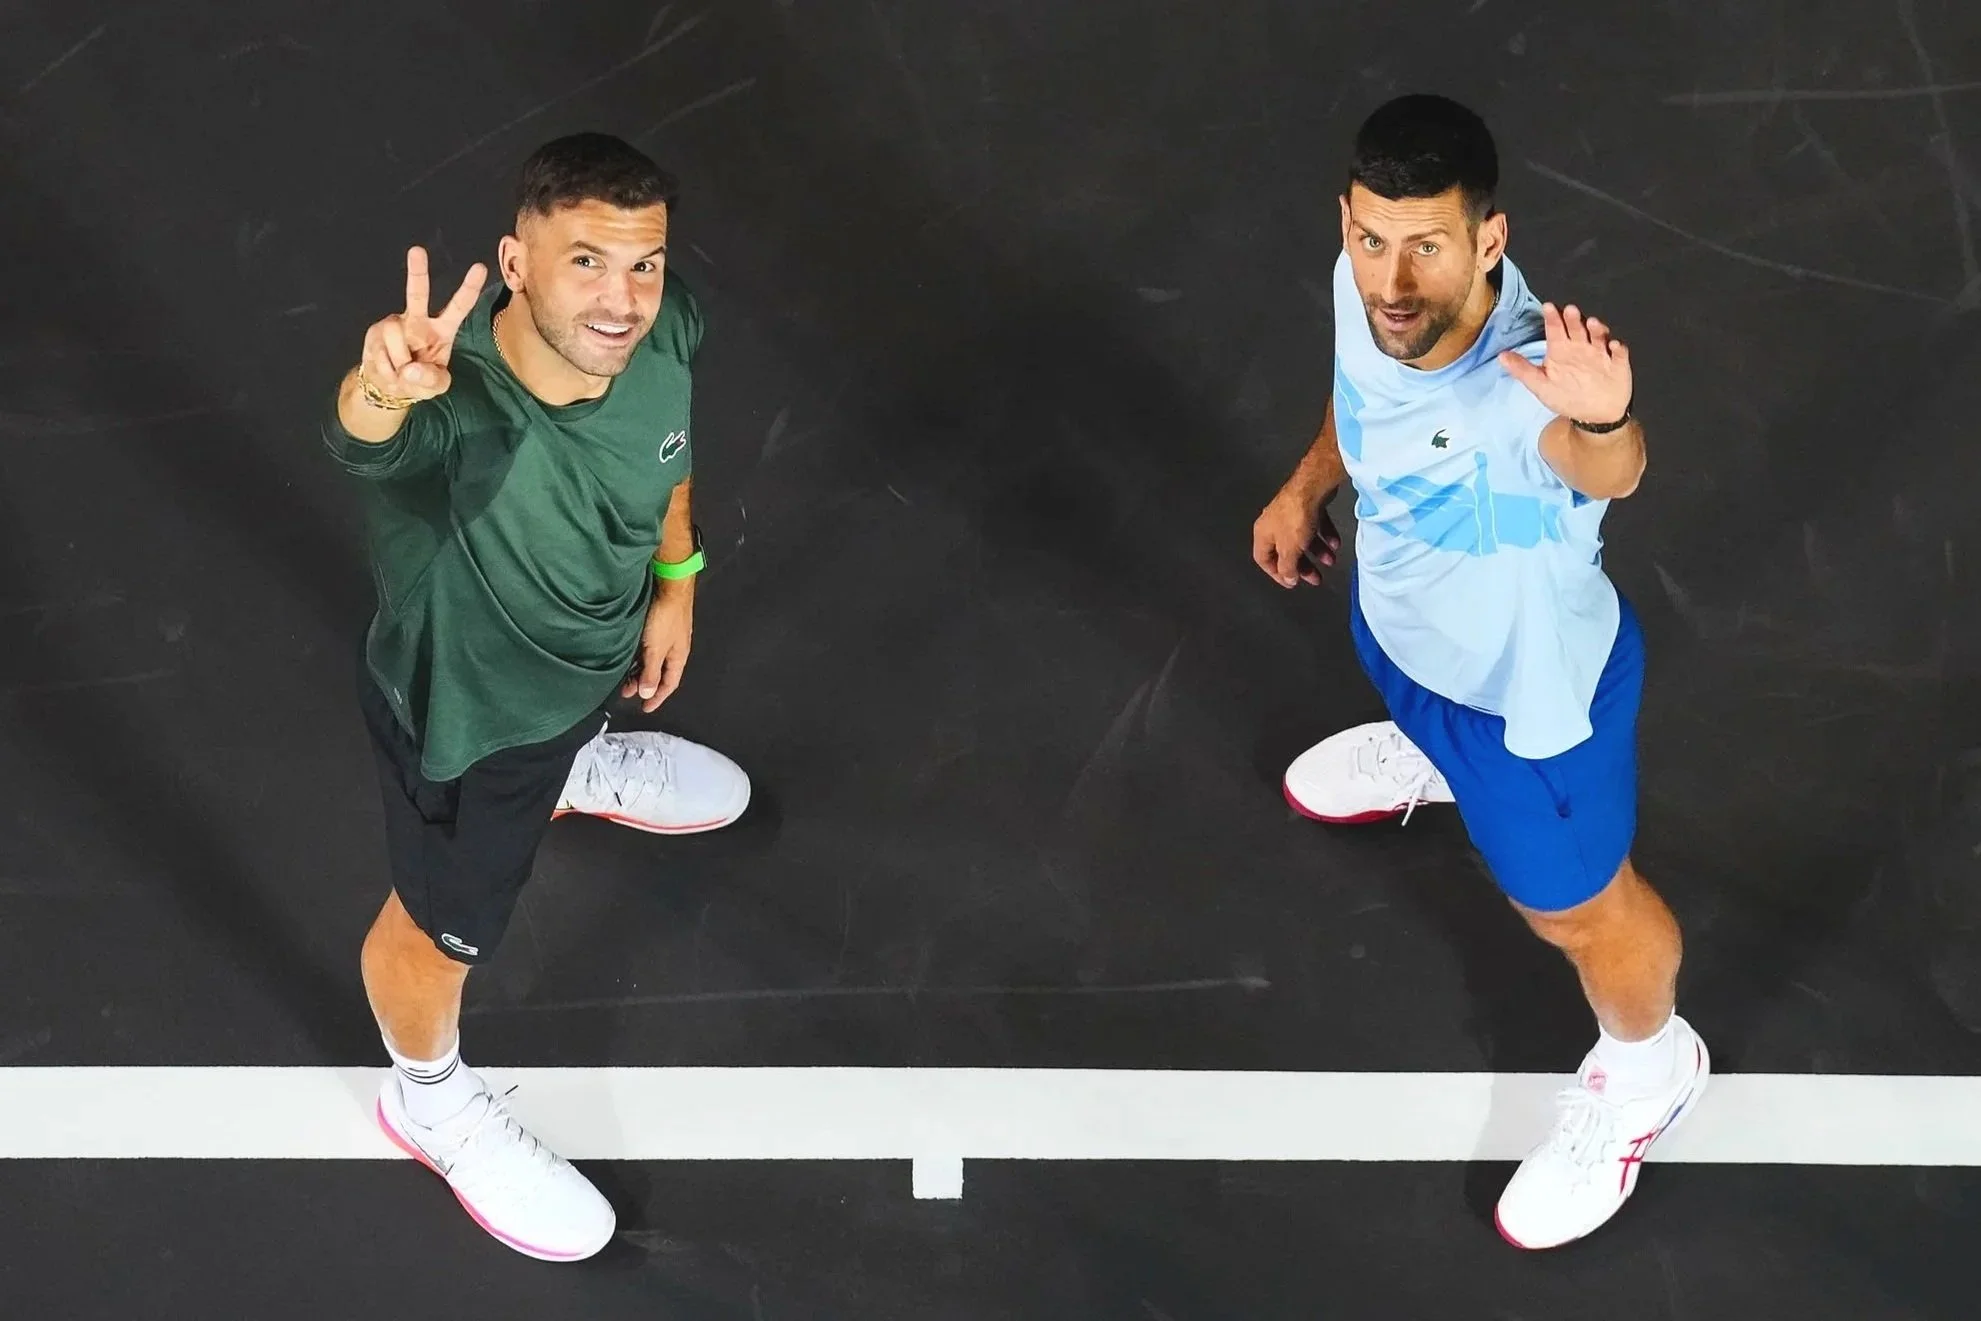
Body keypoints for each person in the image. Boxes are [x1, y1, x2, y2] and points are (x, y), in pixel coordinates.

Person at [1253, 94, 1707, 1250]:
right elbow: (1366, 388)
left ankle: (1650, 1069)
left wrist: (1611, 421)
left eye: (1427, 247)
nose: (1391, 280)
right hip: (1412, 644)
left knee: (1580, 914)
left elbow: (1601, 465)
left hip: (1531, 713)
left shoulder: (1529, 389)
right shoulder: (1380, 288)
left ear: (1489, 242)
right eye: (1370, 239)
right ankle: (1428, 755)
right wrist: (1312, 483)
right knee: (1406, 679)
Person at [322, 132, 752, 1261]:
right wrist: (380, 383)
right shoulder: (452, 407)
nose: (624, 301)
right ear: (513, 264)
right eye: (587, 264)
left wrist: (676, 575)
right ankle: (429, 1103)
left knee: (574, 718)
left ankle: (581, 760)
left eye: (644, 263)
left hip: (580, 670)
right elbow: (362, 436)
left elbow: (669, 443)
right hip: (469, 726)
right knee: (436, 931)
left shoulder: (665, 330)